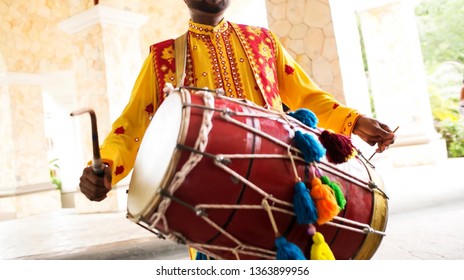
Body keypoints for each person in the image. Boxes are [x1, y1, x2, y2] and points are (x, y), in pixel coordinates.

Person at [78, 0, 396, 257]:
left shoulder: (264, 43)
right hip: (211, 208)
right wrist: (105, 166)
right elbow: (130, 127)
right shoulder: (163, 59)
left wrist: (353, 122)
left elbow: (308, 96)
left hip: (287, 189)